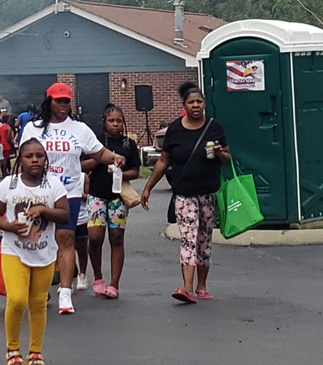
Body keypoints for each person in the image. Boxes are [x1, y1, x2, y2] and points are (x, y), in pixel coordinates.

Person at [20, 82, 125, 314]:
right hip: (37, 193)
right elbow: (23, 160)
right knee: (37, 241)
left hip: (69, 193)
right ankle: (39, 286)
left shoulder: (79, 129)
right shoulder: (33, 128)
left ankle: (65, 293)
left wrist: (115, 157)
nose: (64, 105)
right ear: (48, 102)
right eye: (59, 101)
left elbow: (98, 152)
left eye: (67, 101)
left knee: (66, 238)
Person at [141, 82, 230, 304]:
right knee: (189, 238)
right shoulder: (175, 130)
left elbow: (227, 158)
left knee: (204, 240)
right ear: (184, 106)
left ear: (204, 104)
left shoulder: (214, 127)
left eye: (199, 101)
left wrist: (220, 153)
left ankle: (201, 286)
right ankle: (187, 288)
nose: (196, 105)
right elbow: (163, 161)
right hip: (184, 195)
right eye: (191, 102)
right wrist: (148, 187)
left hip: (208, 193)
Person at [0, 138, 69, 365]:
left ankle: (35, 351)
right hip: (13, 250)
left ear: (46, 159)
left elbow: (64, 215)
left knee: (38, 303)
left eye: (39, 156)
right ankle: (13, 350)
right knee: (17, 299)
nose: (35, 160)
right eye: (29, 156)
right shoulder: (8, 184)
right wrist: (8, 226)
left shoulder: (53, 185)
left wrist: (43, 209)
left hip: (44, 253)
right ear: (20, 160)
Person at [83, 104, 140, 299]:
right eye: (111, 121)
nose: (115, 124)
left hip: (118, 197)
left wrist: (121, 172)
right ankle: (98, 277)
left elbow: (136, 172)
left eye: (119, 121)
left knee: (116, 238)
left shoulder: (128, 144)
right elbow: (83, 165)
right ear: (104, 122)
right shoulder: (96, 142)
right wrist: (101, 159)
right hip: (97, 194)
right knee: (95, 237)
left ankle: (114, 284)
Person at [74, 172, 90, 291]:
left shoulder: (82, 176)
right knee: (65, 248)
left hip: (82, 217)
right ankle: (67, 278)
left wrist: (80, 195)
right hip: (65, 218)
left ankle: (82, 274)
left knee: (82, 248)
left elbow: (89, 196)